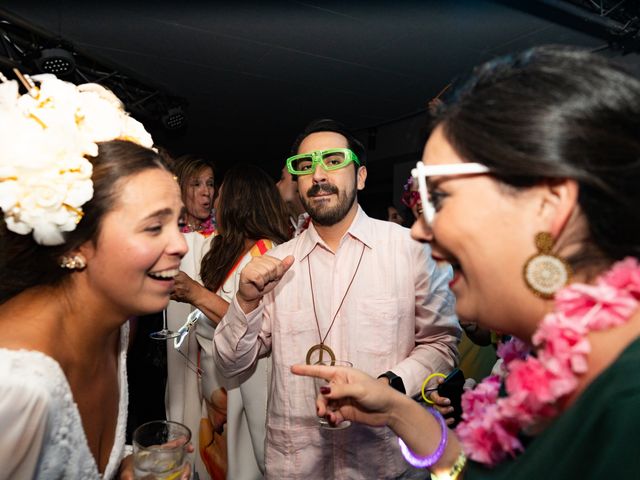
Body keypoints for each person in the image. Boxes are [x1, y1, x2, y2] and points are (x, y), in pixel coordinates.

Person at [292, 45, 640, 479]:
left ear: (550, 205)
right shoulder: (536, 372)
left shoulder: (627, 404)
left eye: (440, 198)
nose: (420, 230)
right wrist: (398, 411)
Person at [213, 118, 460, 478]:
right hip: (296, 463)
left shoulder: (410, 249)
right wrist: (246, 302)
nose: (318, 175)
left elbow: (441, 343)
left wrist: (387, 386)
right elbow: (231, 364)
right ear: (297, 184)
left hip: (383, 463)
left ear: (360, 177)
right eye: (305, 166)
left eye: (332, 160)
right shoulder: (276, 264)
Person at [0, 74, 188, 479]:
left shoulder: (117, 333)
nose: (181, 245)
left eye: (178, 223)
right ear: (74, 246)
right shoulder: (14, 389)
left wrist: (125, 469)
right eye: (154, 227)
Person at [171, 165, 290, 479]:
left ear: (238, 203)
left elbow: (255, 326)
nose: (215, 201)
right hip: (220, 393)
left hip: (245, 397)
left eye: (220, 194)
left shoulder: (268, 255)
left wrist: (196, 294)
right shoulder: (234, 250)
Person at [165, 154, 216, 479]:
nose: (206, 192)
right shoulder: (168, 237)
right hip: (174, 347)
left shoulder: (224, 238)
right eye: (196, 184)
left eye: (210, 183)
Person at [276, 165, 309, 237]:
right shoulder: (283, 229)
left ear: (298, 181)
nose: (276, 185)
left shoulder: (323, 224)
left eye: (282, 178)